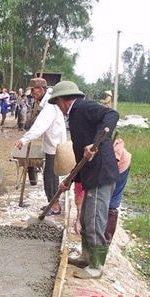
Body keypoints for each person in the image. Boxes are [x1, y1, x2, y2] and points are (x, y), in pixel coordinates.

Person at [50, 81, 119, 279]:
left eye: (57, 103)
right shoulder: (75, 116)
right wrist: (70, 180)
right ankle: (86, 257)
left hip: (101, 174)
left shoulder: (83, 107)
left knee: (95, 220)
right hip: (91, 175)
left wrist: (95, 144)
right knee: (87, 220)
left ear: (63, 100)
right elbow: (81, 156)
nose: (58, 108)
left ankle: (97, 266)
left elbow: (111, 114)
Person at [14, 77, 66, 216]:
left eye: (34, 90)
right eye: (31, 90)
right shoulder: (45, 102)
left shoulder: (50, 104)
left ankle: (55, 206)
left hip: (55, 146)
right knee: (50, 176)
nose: (32, 93)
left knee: (50, 177)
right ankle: (52, 203)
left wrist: (24, 139)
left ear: (42, 90)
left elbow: (40, 126)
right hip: (52, 145)